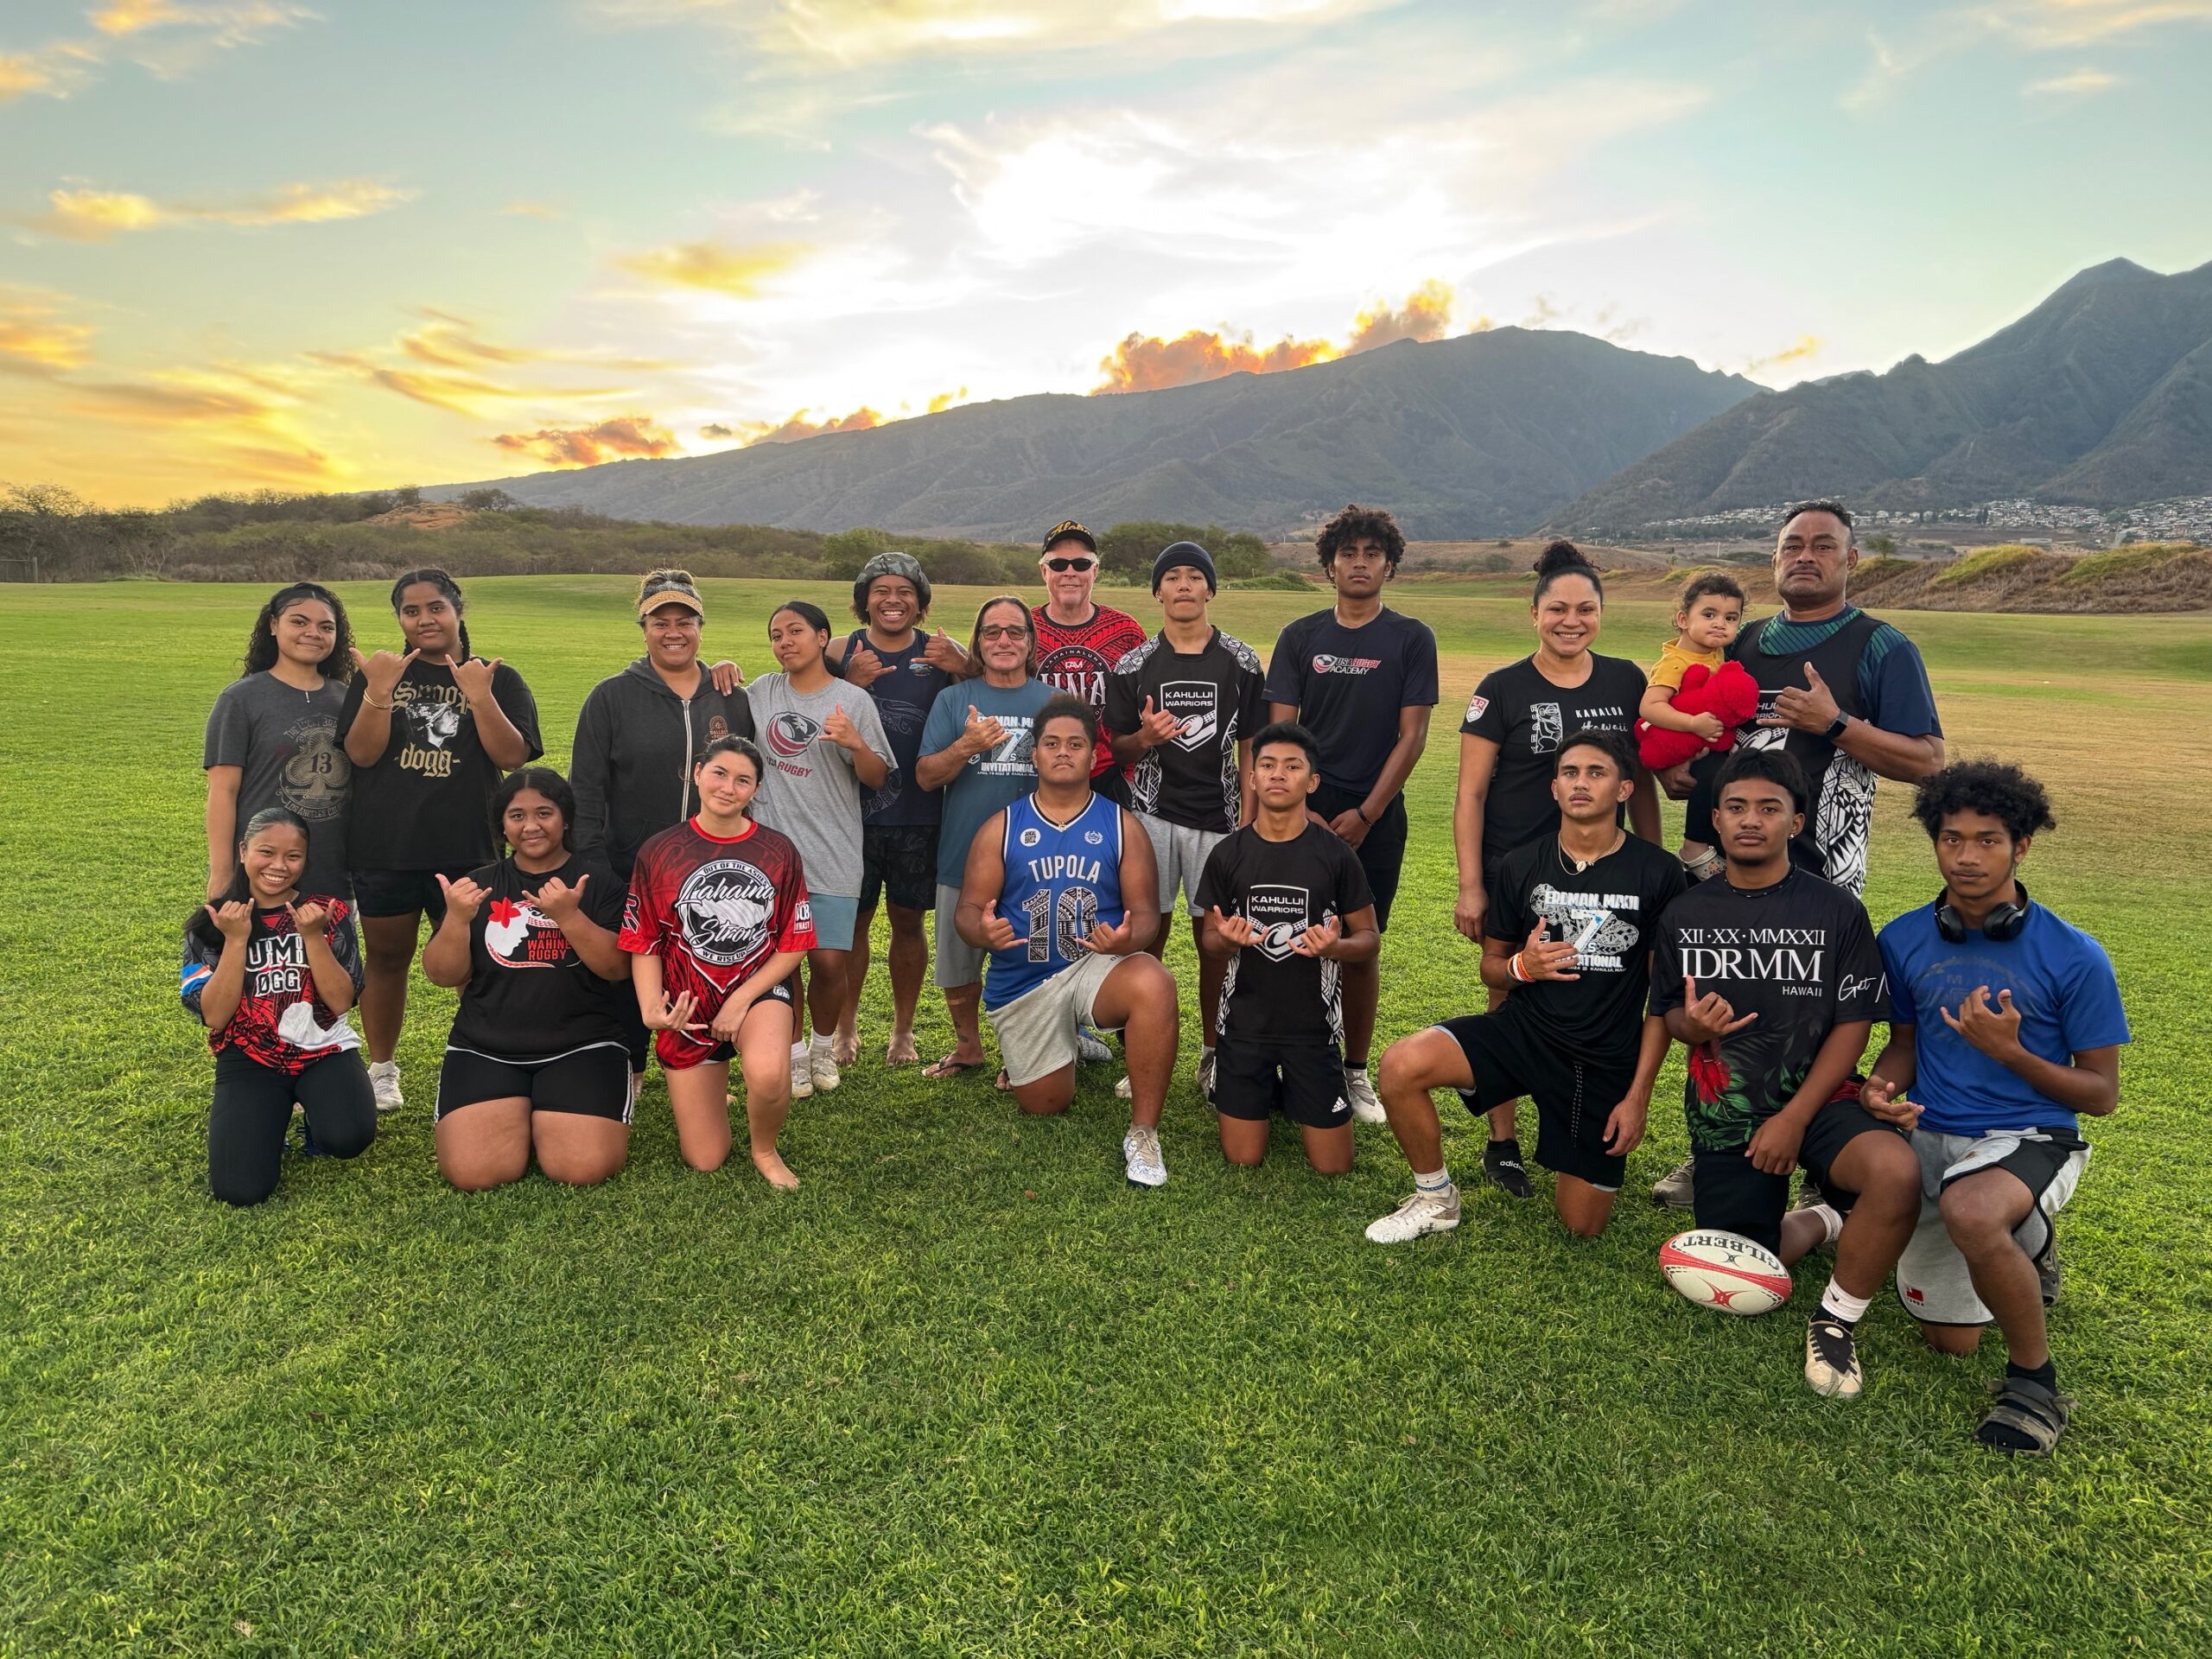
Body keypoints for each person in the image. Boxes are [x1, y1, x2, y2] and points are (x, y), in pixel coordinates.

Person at [1651, 500, 1945, 1208]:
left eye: (1823, 545)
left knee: (1814, 1020)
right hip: (1728, 871)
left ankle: (1822, 1161)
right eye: (1792, 544)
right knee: (1719, 1008)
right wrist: (1676, 765)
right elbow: (1700, 725)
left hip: (1823, 876)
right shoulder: (1741, 639)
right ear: (1775, 557)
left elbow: (1929, 760)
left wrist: (1836, 722)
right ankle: (1715, 1147)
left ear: (1851, 560)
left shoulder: (1881, 646)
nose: (1805, 555)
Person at [1862, 762, 2126, 1454]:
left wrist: (2012, 1054)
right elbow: (1905, 1047)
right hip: (1934, 1135)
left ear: (2022, 846)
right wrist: (1879, 1089)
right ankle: (2027, 1244)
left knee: (1973, 1212)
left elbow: (2101, 1096)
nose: (1968, 857)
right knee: (1951, 1343)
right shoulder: (1904, 938)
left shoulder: (2076, 956)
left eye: (1987, 840)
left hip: (2030, 1135)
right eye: (1952, 840)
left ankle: (2036, 1385)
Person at [1647, 748, 1921, 1400]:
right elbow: (1670, 1017)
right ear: (1714, 819)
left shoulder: (1837, 911)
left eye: (1769, 809)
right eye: (1737, 808)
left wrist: (1795, 1119)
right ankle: (1828, 1219)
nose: (1751, 821)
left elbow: (1854, 1022)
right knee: (1744, 1264)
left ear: (1795, 822)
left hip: (1821, 1097)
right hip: (1730, 1107)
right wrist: (1697, 1028)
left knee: (1894, 1172)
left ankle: (1836, 1321)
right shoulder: (1686, 914)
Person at [1367, 728, 1681, 1244]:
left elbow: (1661, 1000)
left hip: (1601, 1056)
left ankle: (1570, 1143)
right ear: (1554, 788)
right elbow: (1491, 967)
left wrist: (1639, 1094)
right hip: (1525, 1030)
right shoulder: (1520, 864)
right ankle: (1435, 1197)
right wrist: (1522, 967)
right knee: (1401, 1065)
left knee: (1582, 1224)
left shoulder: (1658, 872)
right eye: (1570, 773)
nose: (1581, 784)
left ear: (1624, 789)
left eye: (1597, 773)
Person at [1455, 539, 1659, 1196]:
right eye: (1558, 609)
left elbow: (1644, 782)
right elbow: (1471, 793)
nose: (1572, 621)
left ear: (1602, 613)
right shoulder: (1501, 688)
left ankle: (1578, 1113)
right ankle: (1503, 1141)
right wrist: (1471, 883)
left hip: (1607, 873)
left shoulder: (1627, 679)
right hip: (1519, 870)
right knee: (1508, 990)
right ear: (1534, 612)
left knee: (1603, 992)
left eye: (1586, 609)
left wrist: (1658, 864)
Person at [339, 568, 542, 1115]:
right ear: (399, 619)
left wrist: (479, 697)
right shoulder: (378, 674)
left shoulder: (499, 677)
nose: (424, 619)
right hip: (386, 846)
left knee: (477, 959)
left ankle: (488, 1058)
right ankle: (382, 1069)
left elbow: (511, 756)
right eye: (410, 610)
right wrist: (379, 690)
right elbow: (360, 754)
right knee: (386, 958)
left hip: (468, 848)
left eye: (435, 607)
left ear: (457, 609)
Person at [956, 696, 1180, 1186]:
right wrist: (982, 930)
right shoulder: (1003, 825)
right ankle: (1069, 1042)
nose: (1063, 752)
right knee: (1045, 1105)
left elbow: (1145, 916)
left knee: (1154, 982)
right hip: (1024, 981)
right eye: (1051, 744)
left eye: (1075, 744)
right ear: (1033, 755)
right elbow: (968, 912)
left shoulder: (1122, 826)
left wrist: (1126, 938)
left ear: (1091, 756)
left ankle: (1143, 1133)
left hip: (1090, 966)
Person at [1263, 504, 1439, 1124]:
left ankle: (1355, 1070)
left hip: (1376, 815)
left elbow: (1411, 737)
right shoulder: (1301, 635)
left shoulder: (1410, 637)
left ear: (1389, 564)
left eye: (1371, 554)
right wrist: (1300, 806)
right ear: (1329, 564)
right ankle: (1277, 1057)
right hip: (1300, 812)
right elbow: (1279, 733)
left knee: (1360, 944)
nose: (1359, 563)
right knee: (1283, 937)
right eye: (1348, 553)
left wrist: (1366, 813)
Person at [569, 569, 753, 1094]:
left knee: (705, 957)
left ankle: (700, 1062)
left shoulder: (730, 696)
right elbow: (585, 787)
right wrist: (595, 861)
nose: (673, 632)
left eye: (685, 621)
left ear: (701, 626)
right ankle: (630, 1064)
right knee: (632, 967)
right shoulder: (611, 696)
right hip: (634, 862)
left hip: (712, 864)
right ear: (643, 627)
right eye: (660, 621)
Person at [1103, 539, 1268, 1101]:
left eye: (1194, 577)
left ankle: (1213, 1054)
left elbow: (1251, 746)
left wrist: (1250, 818)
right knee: (1147, 935)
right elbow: (1120, 748)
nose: (1183, 586)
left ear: (1210, 589)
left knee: (1214, 942)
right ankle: (1140, 1054)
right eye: (1171, 577)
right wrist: (1145, 737)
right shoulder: (1134, 665)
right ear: (1157, 592)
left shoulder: (1242, 662)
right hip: (1151, 816)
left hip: (1219, 820)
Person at [421, 768, 632, 1192]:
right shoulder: (478, 886)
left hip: (583, 1043)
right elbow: (443, 975)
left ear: (566, 819)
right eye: (516, 815)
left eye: (544, 813)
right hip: (486, 1046)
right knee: (474, 1174)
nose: (531, 826)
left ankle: (549, 1115)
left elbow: (617, 968)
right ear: (502, 824)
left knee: (581, 1168)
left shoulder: (598, 881)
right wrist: (458, 918)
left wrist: (569, 917)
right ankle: (521, 1114)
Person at [619, 736, 813, 1186]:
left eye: (743, 780)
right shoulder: (659, 851)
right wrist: (651, 1007)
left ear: (756, 790)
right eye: (719, 774)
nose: (729, 787)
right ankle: (713, 1083)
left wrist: (740, 1001)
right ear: (697, 774)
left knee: (767, 1074)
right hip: (689, 1002)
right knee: (705, 1157)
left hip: (757, 988)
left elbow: (795, 940)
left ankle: (765, 1148)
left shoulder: (778, 850)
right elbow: (643, 938)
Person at [1195, 721, 1377, 1173]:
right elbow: (1209, 942)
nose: (1278, 774)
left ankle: (1296, 1087)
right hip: (1242, 1030)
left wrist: (1335, 947)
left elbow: (1369, 941)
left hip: (1311, 1032)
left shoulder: (1336, 854)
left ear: (1312, 781)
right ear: (1252, 778)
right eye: (1267, 765)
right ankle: (1258, 1087)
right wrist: (1226, 939)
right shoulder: (1227, 853)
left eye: (1292, 767)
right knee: (1244, 1157)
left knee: (1332, 1165)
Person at [181, 807, 376, 1206]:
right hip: (249, 1056)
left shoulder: (329, 911)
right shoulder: (212, 921)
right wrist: (236, 941)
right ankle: (267, 1117)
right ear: (242, 851)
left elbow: (340, 1001)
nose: (279, 867)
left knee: (348, 1137)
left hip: (323, 1050)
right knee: (240, 1190)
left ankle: (315, 1120)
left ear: (306, 859)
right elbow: (215, 1015)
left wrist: (313, 936)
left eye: (293, 856)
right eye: (266, 852)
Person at [745, 601, 893, 1101]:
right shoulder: (761, 692)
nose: (785, 641)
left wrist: (854, 743)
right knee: (783, 962)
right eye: (776, 634)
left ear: (822, 637)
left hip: (834, 849)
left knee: (830, 962)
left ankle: (823, 1045)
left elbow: (876, 777)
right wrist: (720, 668)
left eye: (795, 631)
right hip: (771, 858)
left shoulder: (852, 701)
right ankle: (794, 1055)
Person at [823, 551, 964, 1069]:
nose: (893, 600)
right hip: (850, 814)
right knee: (852, 924)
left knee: (908, 923)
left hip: (920, 813)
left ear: (921, 602)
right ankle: (845, 1029)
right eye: (881, 590)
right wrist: (849, 682)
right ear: (864, 600)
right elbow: (797, 697)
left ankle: (903, 1032)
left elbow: (987, 690)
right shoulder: (839, 650)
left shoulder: (943, 652)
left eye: (905, 591)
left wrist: (965, 667)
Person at [914, 596, 1055, 1082]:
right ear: (977, 642)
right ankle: (968, 1047)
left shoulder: (1052, 702)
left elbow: (1076, 776)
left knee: (1032, 959)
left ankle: (1024, 1053)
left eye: (1015, 632)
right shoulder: (954, 699)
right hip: (965, 852)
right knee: (959, 960)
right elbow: (927, 776)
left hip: (1037, 858)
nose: (1004, 641)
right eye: (992, 632)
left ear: (1031, 642)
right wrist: (966, 746)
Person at [204, 582, 356, 906]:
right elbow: (223, 791)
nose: (313, 632)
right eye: (299, 622)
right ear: (274, 625)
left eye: (326, 626)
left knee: (328, 956)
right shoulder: (240, 699)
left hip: (333, 872)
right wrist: (221, 874)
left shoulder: (348, 699)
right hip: (265, 872)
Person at [1634, 571, 1750, 880]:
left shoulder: (1717, 654)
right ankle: (1693, 846)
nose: (1719, 624)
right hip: (1679, 740)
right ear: (1683, 619)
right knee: (1713, 774)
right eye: (1709, 614)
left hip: (1704, 739)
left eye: (1730, 618)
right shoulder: (1676, 662)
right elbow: (1650, 706)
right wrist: (1693, 724)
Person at [1031, 519, 1148, 804]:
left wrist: (1130, 777)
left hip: (1108, 774)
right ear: (1043, 571)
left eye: (1081, 564)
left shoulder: (1125, 630)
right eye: (1058, 564)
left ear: (1095, 571)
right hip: (1037, 772)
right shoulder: (1024, 628)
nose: (1070, 572)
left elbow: (1144, 707)